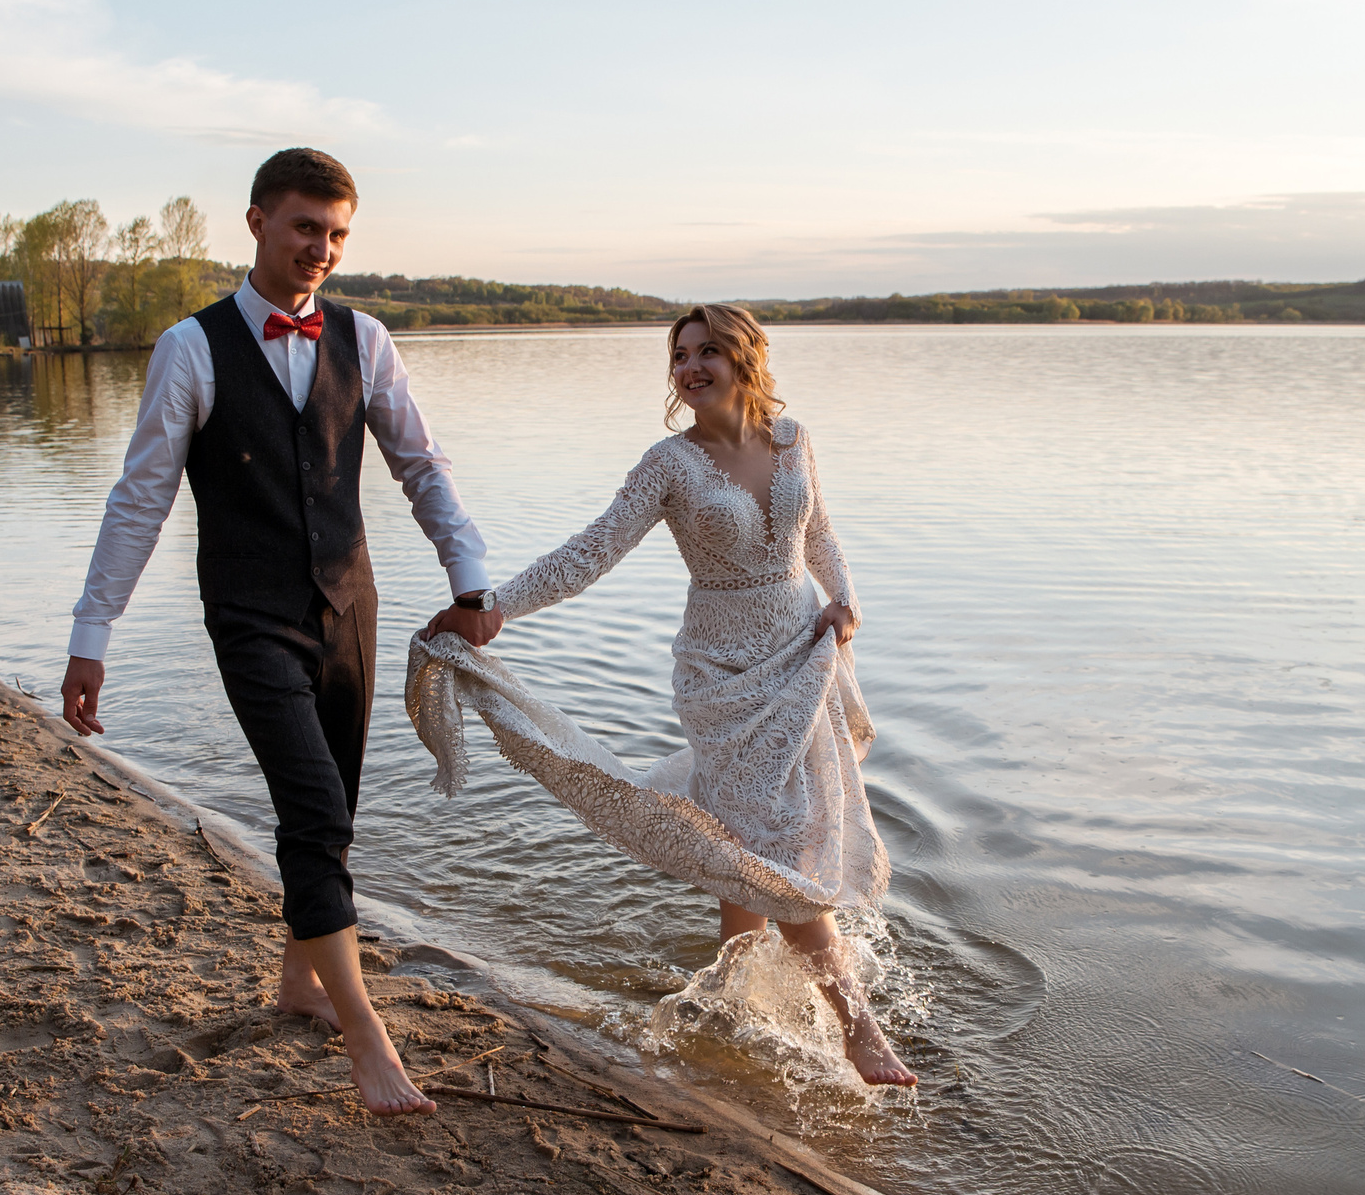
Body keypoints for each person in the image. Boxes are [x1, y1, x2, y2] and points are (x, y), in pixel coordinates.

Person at [62, 147, 502, 1116]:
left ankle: (299, 981)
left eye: (338, 234)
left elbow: (421, 465)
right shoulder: (190, 347)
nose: (321, 249)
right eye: (306, 227)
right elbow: (139, 499)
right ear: (257, 220)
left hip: (349, 605)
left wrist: (468, 579)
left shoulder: (366, 339)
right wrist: (92, 631)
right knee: (312, 808)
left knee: (333, 810)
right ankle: (364, 1035)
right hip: (250, 612)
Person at [407, 305, 915, 1088]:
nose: (691, 367)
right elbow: (593, 550)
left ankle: (730, 1002)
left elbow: (820, 535)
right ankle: (859, 1028)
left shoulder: (793, 439)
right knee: (775, 844)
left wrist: (845, 598)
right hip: (721, 676)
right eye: (680, 355)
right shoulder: (668, 465)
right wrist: (493, 607)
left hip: (802, 658)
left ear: (745, 357)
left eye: (709, 351)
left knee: (748, 841)